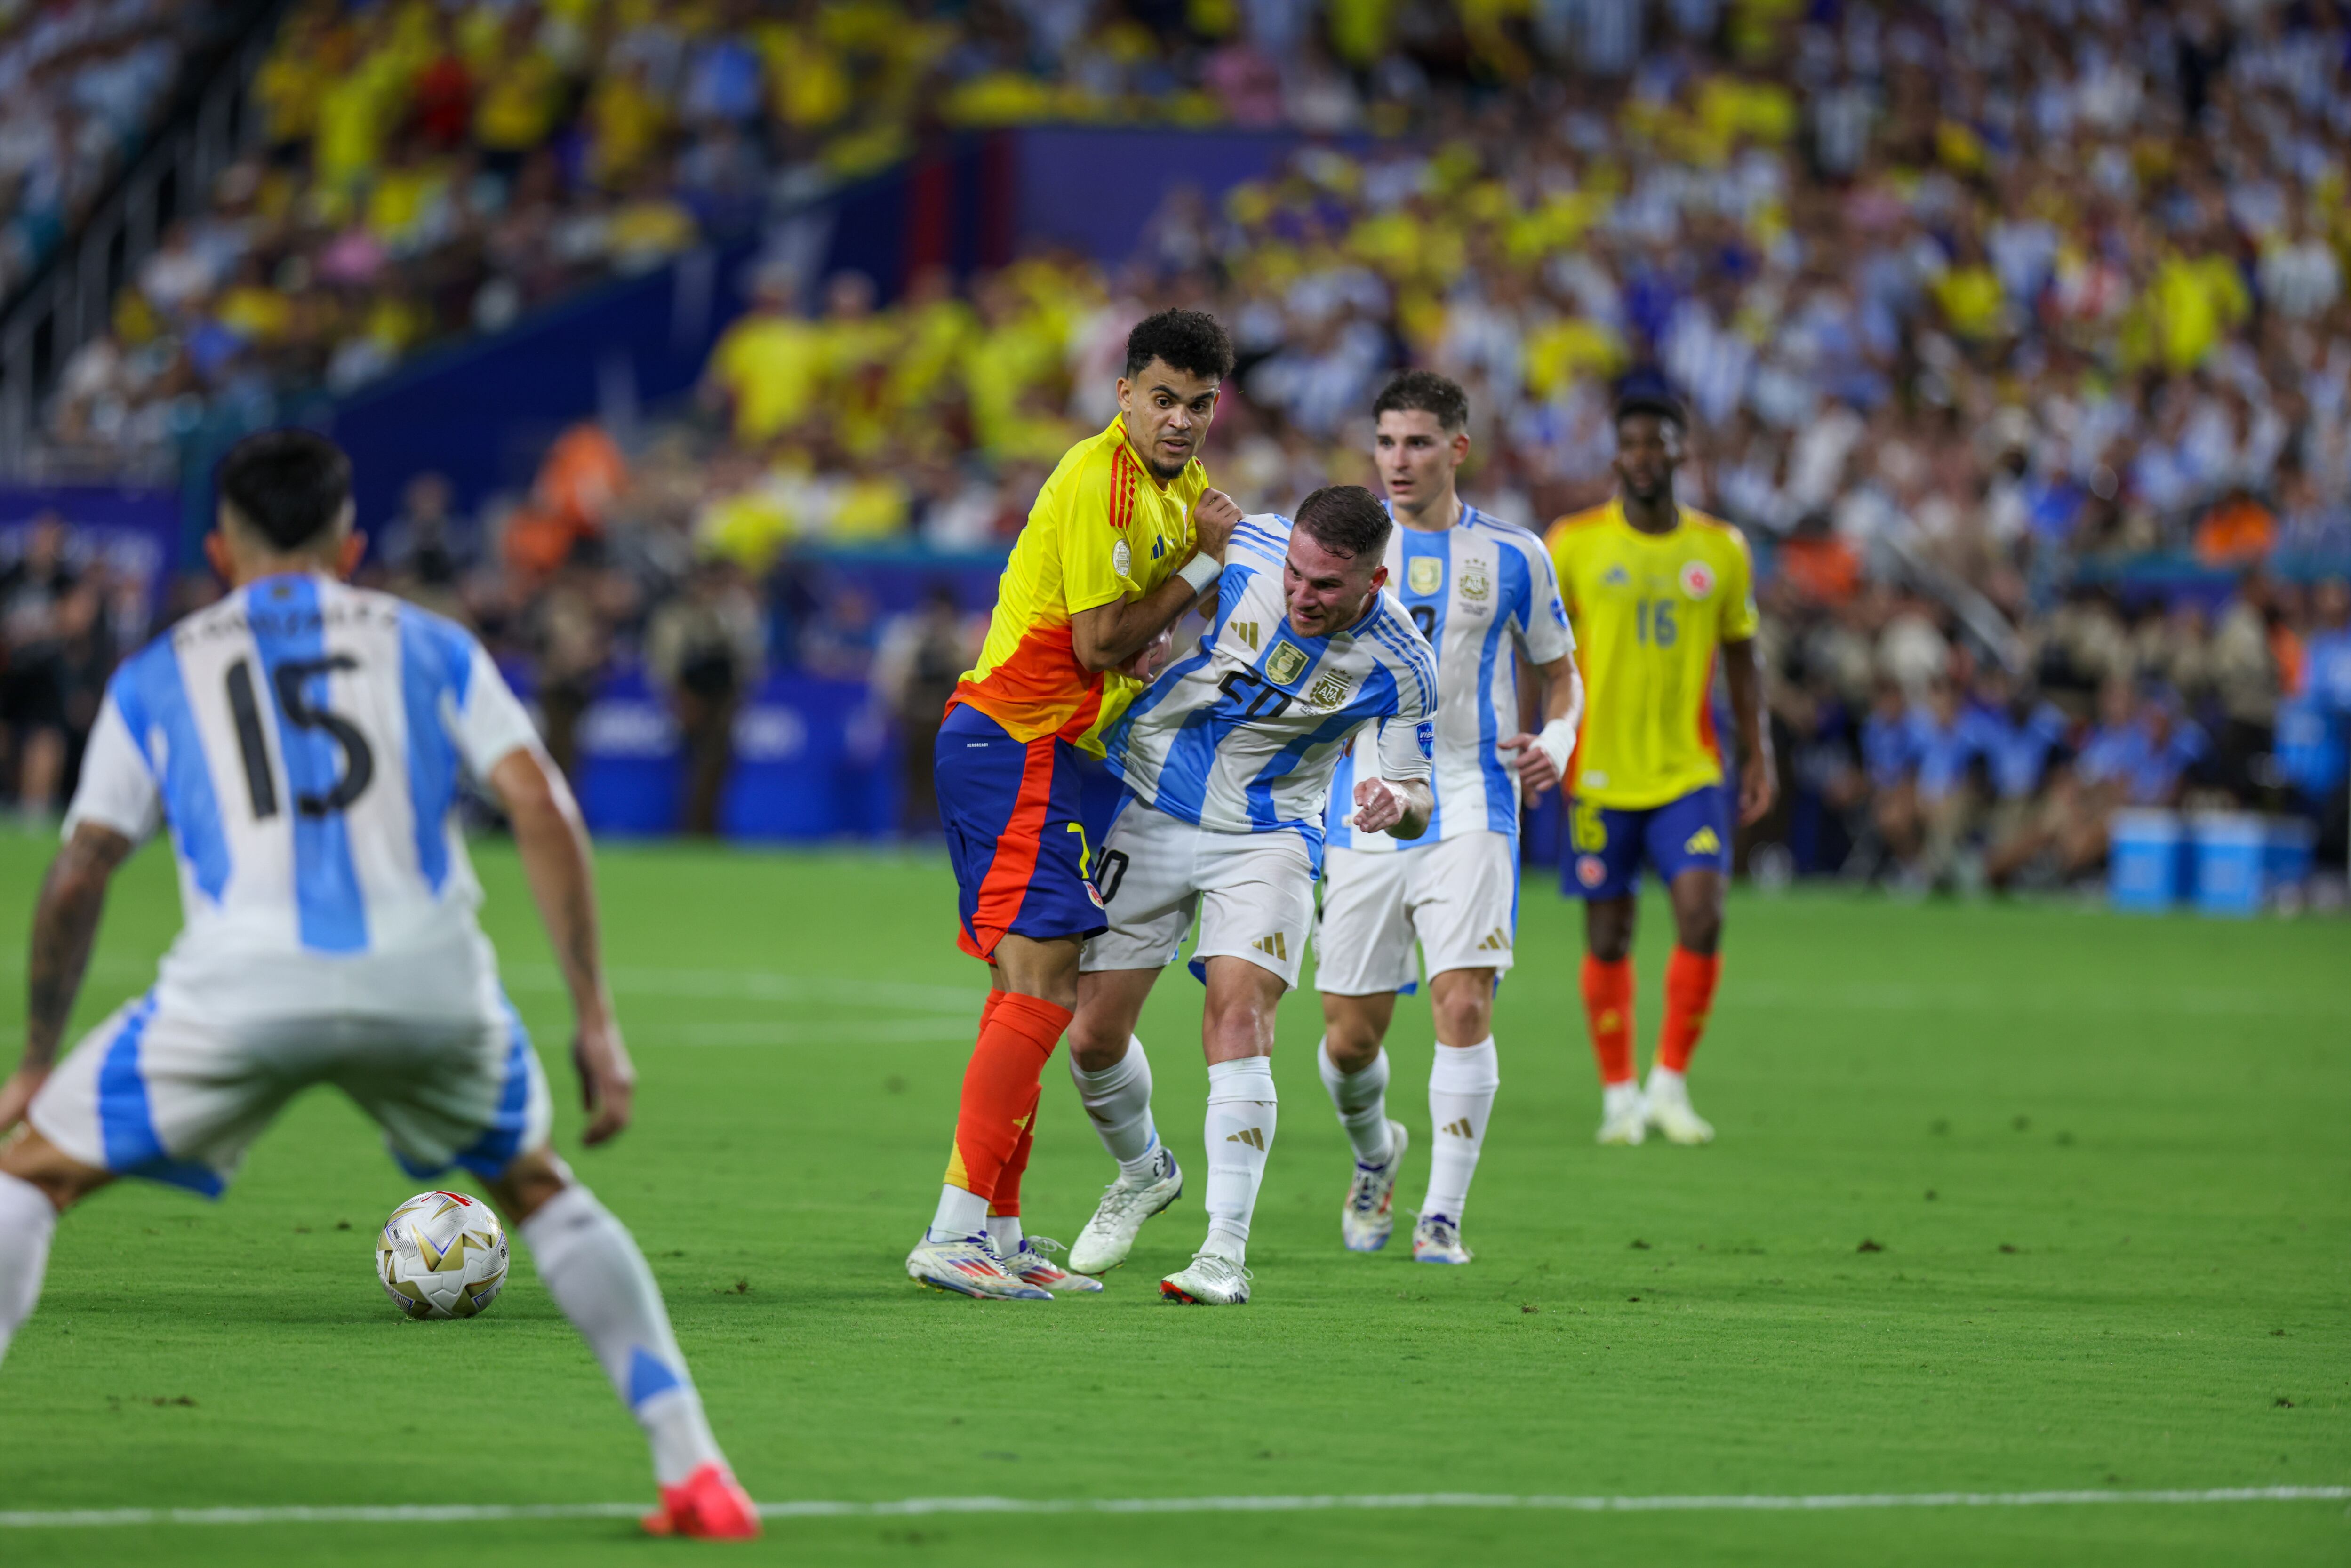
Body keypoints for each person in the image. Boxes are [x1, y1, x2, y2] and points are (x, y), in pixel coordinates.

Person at [0, 432, 758, 1541]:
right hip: (429, 979)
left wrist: (33, 1058)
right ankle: (696, 1472)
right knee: (540, 1190)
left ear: (219, 550)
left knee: (30, 1177)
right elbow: (542, 806)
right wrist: (594, 1020)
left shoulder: (160, 671)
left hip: (237, 987)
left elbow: (79, 871)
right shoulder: (432, 644)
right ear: (351, 544)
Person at [904, 309, 1244, 1301]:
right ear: (1123, 393)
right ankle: (951, 1230)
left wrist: (1161, 626)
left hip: (1054, 758)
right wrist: (1202, 569)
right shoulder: (1104, 478)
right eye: (1163, 399)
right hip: (1021, 745)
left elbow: (1122, 644)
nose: (1179, 420)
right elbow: (1097, 642)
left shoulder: (1174, 492)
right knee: (1043, 984)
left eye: (1199, 404)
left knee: (1028, 987)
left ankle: (999, 1232)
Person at [1063, 485, 1438, 1306]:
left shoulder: (1404, 663)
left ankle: (1223, 1254)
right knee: (1089, 1037)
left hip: (1269, 837)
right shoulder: (1249, 544)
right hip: (1154, 802)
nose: (1304, 596)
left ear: (1373, 584)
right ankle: (1143, 1172)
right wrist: (1158, 630)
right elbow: (1148, 607)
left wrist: (1394, 806)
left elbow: (1418, 798)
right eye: (1299, 576)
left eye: (1328, 587)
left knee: (1238, 1018)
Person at [1310, 371, 1582, 1265]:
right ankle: (1376, 1154)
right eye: (1386, 442)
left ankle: (1443, 1219)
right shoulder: (1341, 552)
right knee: (1350, 1041)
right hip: (1359, 805)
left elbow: (1561, 670)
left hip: (1473, 800)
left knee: (1463, 1001)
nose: (1399, 460)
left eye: (1419, 443)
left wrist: (1561, 737)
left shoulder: (1513, 556)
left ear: (1457, 449)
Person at [1545, 390, 1774, 1146]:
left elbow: (1743, 657)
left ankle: (1670, 1085)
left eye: (1660, 443)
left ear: (1682, 453)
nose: (1645, 457)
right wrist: (1541, 738)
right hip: (1599, 771)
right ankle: (1619, 1096)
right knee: (1609, 935)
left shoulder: (1720, 549)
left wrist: (1759, 751)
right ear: (1617, 456)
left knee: (1703, 915)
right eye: (1633, 445)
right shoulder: (1574, 544)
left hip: (1689, 769)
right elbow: (1542, 655)